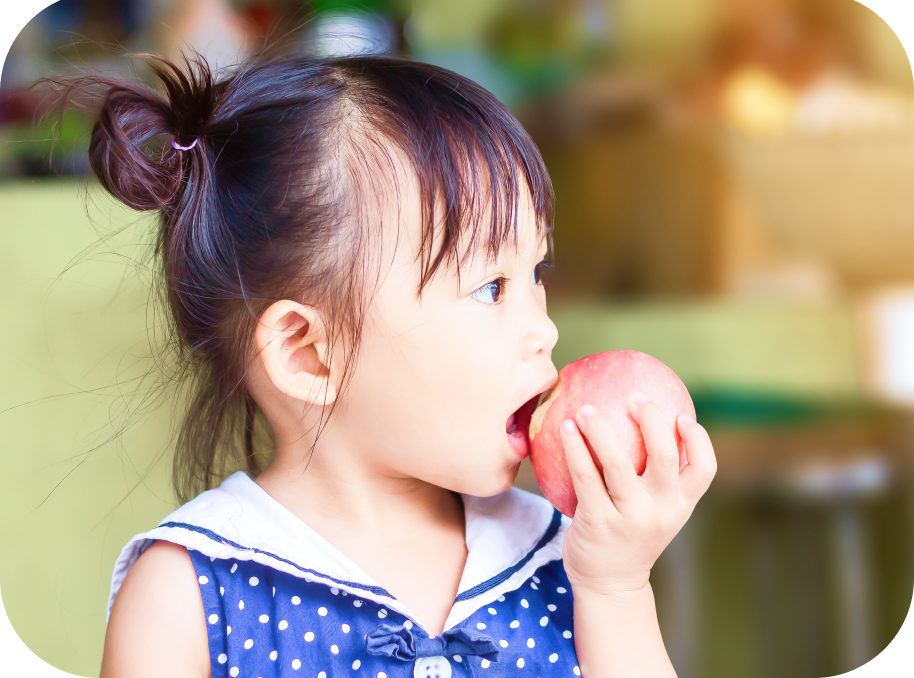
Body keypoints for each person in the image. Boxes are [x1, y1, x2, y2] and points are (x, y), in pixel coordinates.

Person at [59, 51, 716, 677]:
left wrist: (617, 587)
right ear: (308, 354)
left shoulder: (568, 556)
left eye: (537, 270)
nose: (543, 328)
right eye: (490, 287)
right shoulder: (190, 597)